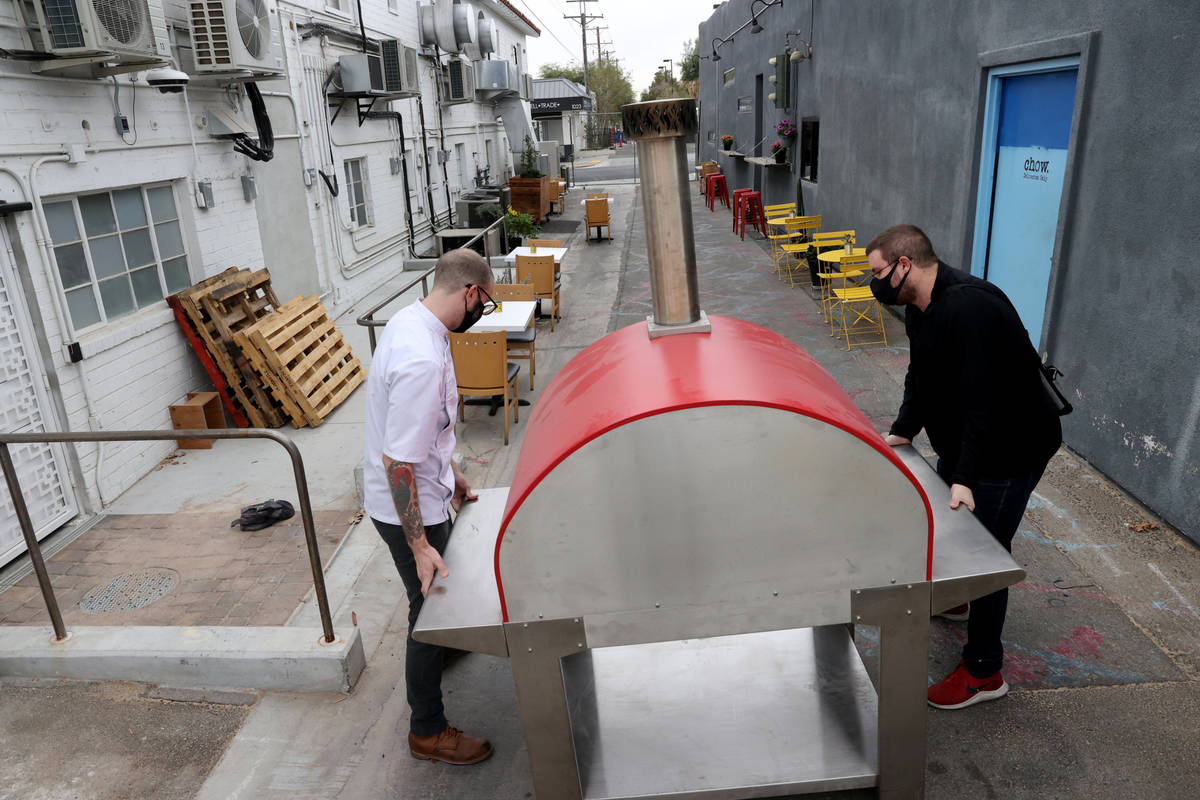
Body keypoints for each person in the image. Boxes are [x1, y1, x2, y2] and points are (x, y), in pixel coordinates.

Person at [866, 224, 1061, 710]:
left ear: (904, 265)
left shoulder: (972, 308)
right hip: (969, 442)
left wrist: (965, 478)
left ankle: (984, 672)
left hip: (1011, 449)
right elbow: (922, 374)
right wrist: (904, 428)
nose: (872, 281)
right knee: (953, 529)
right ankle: (959, 596)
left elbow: (985, 405)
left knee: (987, 555)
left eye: (876, 271)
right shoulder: (918, 308)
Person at [362, 248, 497, 763]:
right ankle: (428, 729)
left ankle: (442, 643)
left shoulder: (415, 323)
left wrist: (453, 471)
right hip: (407, 509)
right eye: (484, 303)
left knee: (436, 605)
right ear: (470, 292)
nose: (482, 312)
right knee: (428, 611)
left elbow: (425, 434)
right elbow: (399, 462)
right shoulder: (419, 358)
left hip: (424, 490)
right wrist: (418, 543)